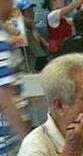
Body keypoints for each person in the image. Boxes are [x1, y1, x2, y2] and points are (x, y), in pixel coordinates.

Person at [0, 0, 30, 139]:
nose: (12, 5)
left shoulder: (4, 33)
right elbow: (4, 96)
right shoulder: (1, 39)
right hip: (10, 136)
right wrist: (25, 138)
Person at [18, 0, 49, 71]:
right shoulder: (23, 31)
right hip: (32, 64)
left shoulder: (31, 26)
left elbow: (45, 45)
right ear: (21, 14)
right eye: (28, 11)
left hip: (39, 60)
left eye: (32, 10)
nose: (32, 13)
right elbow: (37, 42)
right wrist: (33, 26)